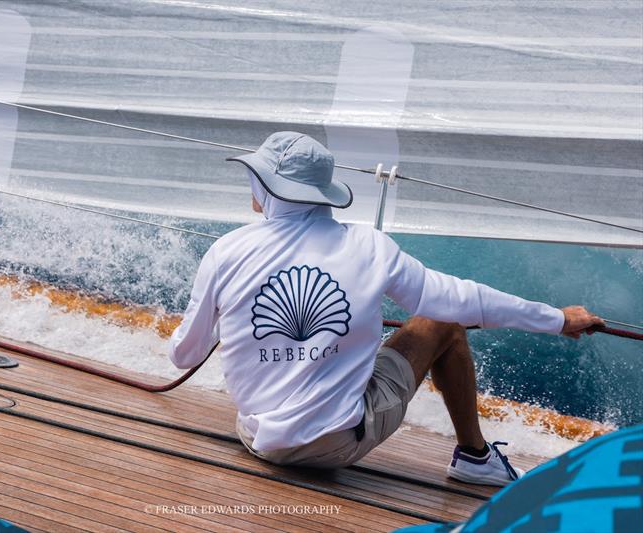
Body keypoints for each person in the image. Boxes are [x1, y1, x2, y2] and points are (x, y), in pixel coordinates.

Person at [167, 131, 605, 486]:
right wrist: (558, 319)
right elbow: (461, 299)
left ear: (266, 187)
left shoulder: (226, 251)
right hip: (335, 445)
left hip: (257, 437)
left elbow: (183, 355)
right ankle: (476, 459)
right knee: (443, 322)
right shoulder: (367, 246)